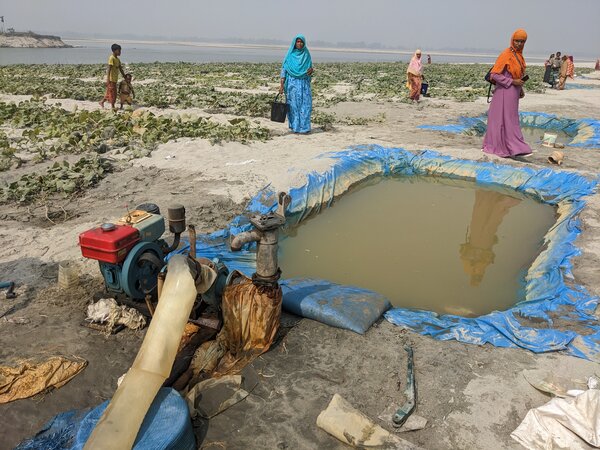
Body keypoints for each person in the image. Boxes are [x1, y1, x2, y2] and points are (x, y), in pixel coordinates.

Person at [482, 29, 532, 159]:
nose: (519, 44)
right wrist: (512, 81)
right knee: (502, 120)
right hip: (504, 91)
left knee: (510, 119)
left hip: (513, 92)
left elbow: (518, 75)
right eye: (517, 41)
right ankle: (511, 147)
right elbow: (494, 75)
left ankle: (510, 147)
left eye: (522, 42)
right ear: (512, 40)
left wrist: (520, 88)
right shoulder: (506, 54)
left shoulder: (520, 56)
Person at [279, 34, 313, 134]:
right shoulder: (290, 55)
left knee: (306, 105)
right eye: (298, 42)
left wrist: (311, 71)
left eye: (301, 42)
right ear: (294, 43)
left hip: (304, 84)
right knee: (293, 106)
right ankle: (295, 127)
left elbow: (309, 69)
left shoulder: (306, 54)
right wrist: (281, 85)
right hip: (292, 85)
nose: (299, 43)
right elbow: (284, 71)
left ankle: (305, 128)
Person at [100, 43, 126, 110]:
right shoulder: (111, 58)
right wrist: (108, 79)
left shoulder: (117, 59)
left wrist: (125, 76)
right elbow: (109, 69)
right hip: (111, 79)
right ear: (114, 51)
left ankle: (102, 102)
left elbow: (120, 69)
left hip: (115, 79)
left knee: (110, 92)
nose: (120, 52)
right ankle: (112, 106)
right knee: (113, 93)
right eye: (119, 50)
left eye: (120, 50)